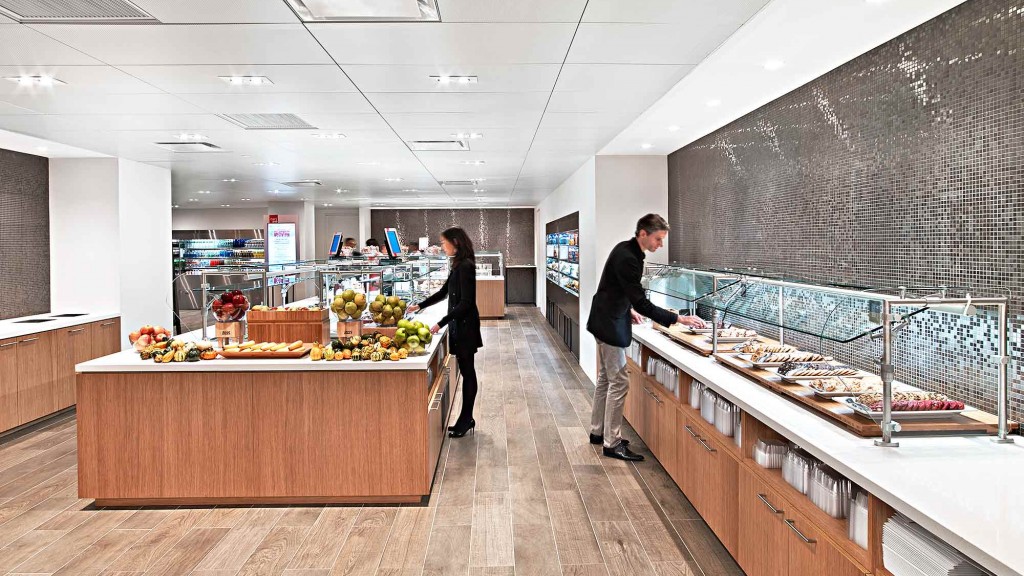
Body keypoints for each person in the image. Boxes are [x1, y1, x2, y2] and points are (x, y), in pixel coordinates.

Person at [588, 214, 706, 461]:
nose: (660, 245)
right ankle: (612, 442)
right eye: (658, 239)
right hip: (610, 324)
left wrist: (626, 307)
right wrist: (677, 319)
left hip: (604, 317)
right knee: (618, 382)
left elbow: (614, 288)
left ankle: (598, 432)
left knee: (605, 379)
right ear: (643, 233)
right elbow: (641, 301)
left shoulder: (625, 249)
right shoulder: (629, 257)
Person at [406, 227, 483, 438]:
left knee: (468, 372)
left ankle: (466, 419)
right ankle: (465, 418)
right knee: (467, 371)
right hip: (461, 324)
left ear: (455, 242)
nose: (442, 247)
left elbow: (467, 303)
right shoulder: (458, 264)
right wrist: (419, 306)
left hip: (466, 326)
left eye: (443, 243)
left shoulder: (465, 266)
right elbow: (444, 292)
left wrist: (441, 322)